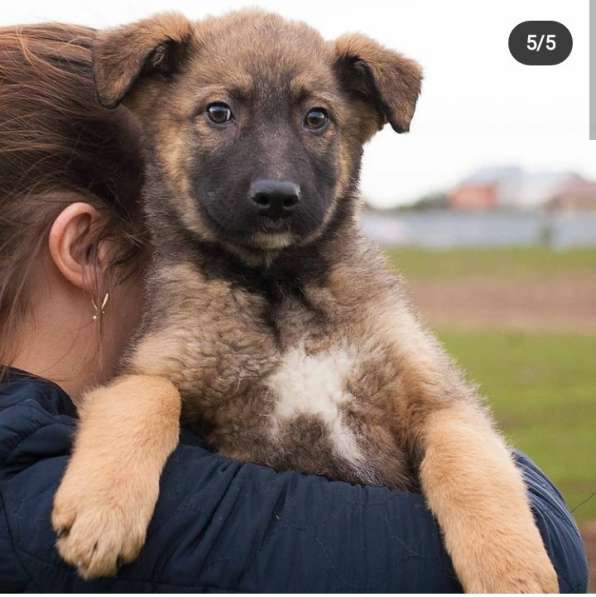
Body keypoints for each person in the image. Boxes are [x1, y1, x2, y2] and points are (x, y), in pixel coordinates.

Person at [0, 23, 588, 593]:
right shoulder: (180, 320)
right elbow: (150, 385)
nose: (276, 176)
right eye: (220, 114)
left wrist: (499, 540)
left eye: (316, 120)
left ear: (363, 116)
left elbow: (442, 415)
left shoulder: (368, 306)